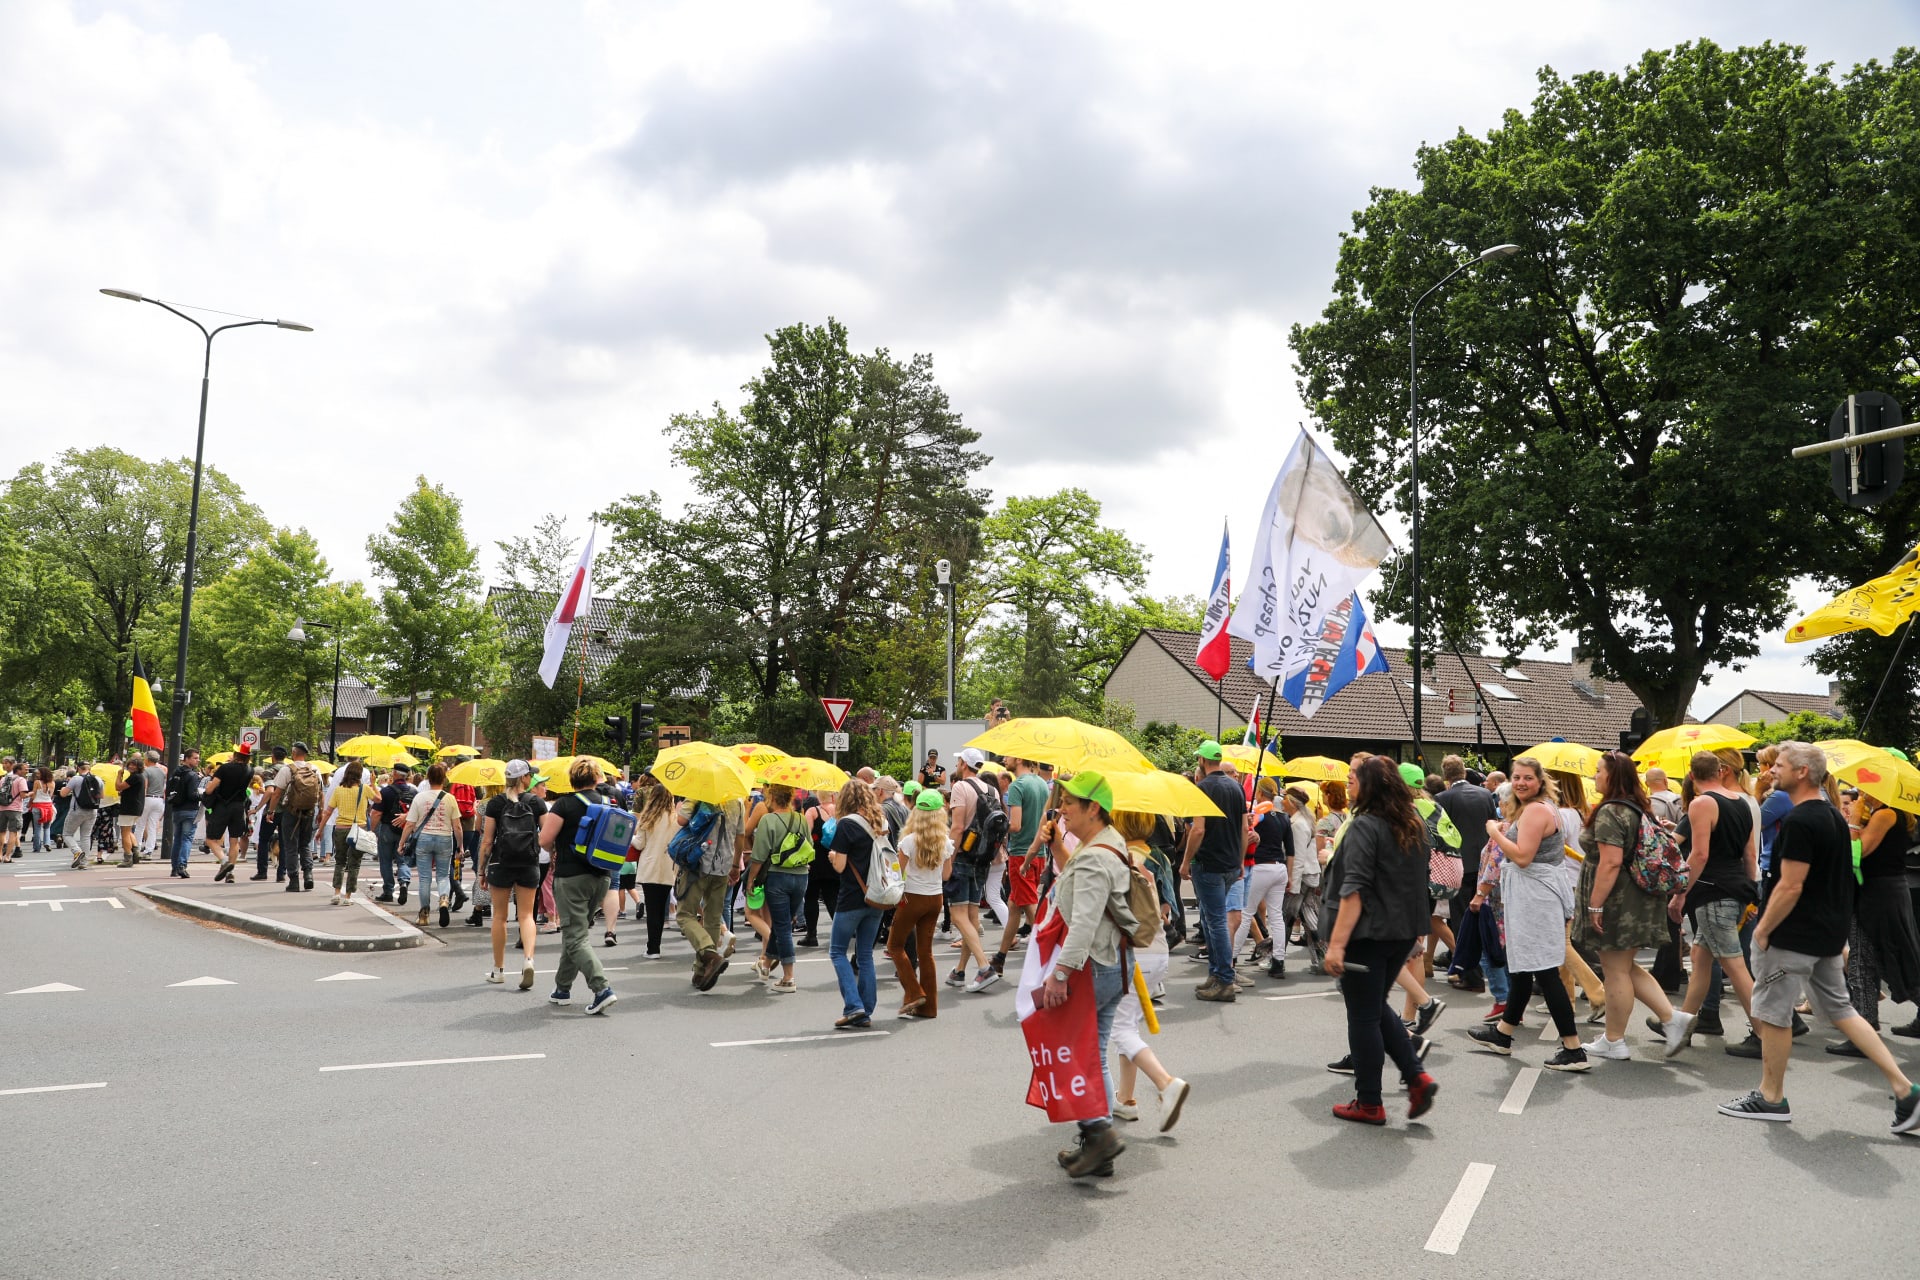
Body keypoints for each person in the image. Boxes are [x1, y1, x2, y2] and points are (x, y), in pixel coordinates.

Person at [1718, 742, 1919, 1131]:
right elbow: (1839, 878)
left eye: (1779, 765)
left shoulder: (1801, 821)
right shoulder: (1832, 816)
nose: (1771, 770)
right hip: (1824, 933)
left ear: (1802, 773)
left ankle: (1770, 1097)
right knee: (1843, 1012)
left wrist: (1762, 929)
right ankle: (1905, 1090)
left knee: (1775, 1015)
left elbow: (1791, 886)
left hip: (1794, 935)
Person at [1322, 756, 1441, 1124]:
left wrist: (1337, 944)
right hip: (1401, 932)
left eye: (1354, 778)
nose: (1348, 783)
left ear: (1371, 785)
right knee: (1374, 1008)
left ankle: (1370, 1101)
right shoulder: (1413, 823)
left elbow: (1353, 889)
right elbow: (1418, 881)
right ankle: (1416, 1076)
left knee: (1361, 1016)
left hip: (1367, 934)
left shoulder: (1364, 826)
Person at [1039, 769, 1137, 1176]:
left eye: (1070, 802)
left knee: (1075, 1052)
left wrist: (1060, 973)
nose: (1062, 807)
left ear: (1093, 809)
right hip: (1111, 964)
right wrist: (1058, 845)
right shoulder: (1105, 844)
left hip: (1093, 966)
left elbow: (1084, 919)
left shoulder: (1097, 855)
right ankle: (1097, 1147)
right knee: (1092, 1053)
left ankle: (1099, 1134)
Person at [1466, 757, 1587, 1071]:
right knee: (1521, 968)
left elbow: (1522, 857)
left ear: (1540, 781)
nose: (1520, 783)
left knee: (1545, 972)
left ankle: (1573, 1048)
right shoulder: (1540, 807)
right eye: (1516, 777)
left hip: (1536, 899)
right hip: (1534, 896)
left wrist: (1494, 831)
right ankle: (1503, 1034)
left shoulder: (1535, 810)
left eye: (1527, 778)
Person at [1572, 751, 1685, 1062]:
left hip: (1618, 899)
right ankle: (1672, 1019)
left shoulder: (1611, 811)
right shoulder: (1638, 807)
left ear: (1612, 777)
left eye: (1598, 771)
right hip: (1638, 896)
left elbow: (1610, 863)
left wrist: (1595, 906)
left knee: (1615, 971)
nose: (1595, 776)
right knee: (1625, 967)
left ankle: (1614, 1040)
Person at [1662, 750, 1760, 1053]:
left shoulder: (1702, 803)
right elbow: (1750, 854)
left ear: (1691, 776)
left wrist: (1680, 894)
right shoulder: (1740, 802)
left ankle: (1764, 1034)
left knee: (1735, 967)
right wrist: (1749, 892)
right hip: (1734, 888)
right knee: (1701, 959)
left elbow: (1699, 854)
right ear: (1721, 771)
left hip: (1712, 891)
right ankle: (1682, 1027)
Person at [1109, 807, 1191, 1131]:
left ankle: (1166, 1083)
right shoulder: (1155, 856)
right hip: (1157, 950)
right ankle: (1126, 1099)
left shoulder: (1121, 857)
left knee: (1121, 1030)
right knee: (1128, 1026)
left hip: (1134, 954)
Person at [537, 759, 618, 1014]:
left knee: (575, 936)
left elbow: (544, 840)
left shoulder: (564, 804)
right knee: (576, 933)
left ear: (572, 779)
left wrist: (555, 847)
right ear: (597, 777)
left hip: (571, 875)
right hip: (602, 875)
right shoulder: (608, 802)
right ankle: (562, 989)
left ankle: (601, 988)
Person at [1839, 792, 1920, 1046]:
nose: (1861, 792)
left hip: (1878, 896)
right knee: (1892, 959)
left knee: (1865, 963)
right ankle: (1866, 1027)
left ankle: (1863, 1034)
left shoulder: (1886, 814)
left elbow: (1858, 852)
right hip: (1883, 893)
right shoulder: (1887, 814)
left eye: (1865, 787)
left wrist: (1853, 822)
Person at [1185, 740, 1247, 1002]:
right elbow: (1245, 829)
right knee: (1213, 920)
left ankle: (1223, 979)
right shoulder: (1236, 787)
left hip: (1208, 864)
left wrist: (1185, 860)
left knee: (1216, 921)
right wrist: (1241, 861)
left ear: (1201, 761)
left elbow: (1198, 829)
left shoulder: (1202, 788)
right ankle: (1216, 973)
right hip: (1231, 864)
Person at [827, 777, 890, 1029]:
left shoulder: (846, 825)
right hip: (876, 896)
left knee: (837, 951)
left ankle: (854, 1006)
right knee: (865, 955)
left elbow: (840, 866)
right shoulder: (881, 822)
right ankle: (865, 1009)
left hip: (852, 897)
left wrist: (833, 856)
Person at [478, 760, 544, 989]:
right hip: (528, 862)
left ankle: (498, 970)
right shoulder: (536, 802)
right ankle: (528, 959)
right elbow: (546, 836)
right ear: (524, 778)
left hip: (501, 862)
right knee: (526, 915)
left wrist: (481, 871)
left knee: (500, 917)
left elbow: (487, 841)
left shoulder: (495, 804)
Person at [1434, 756, 1498, 992]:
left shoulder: (1442, 798)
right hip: (1483, 865)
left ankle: (1471, 974)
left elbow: (1441, 833)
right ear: (1463, 771)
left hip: (1458, 865)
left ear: (1445, 775)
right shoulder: (1484, 795)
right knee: (1481, 918)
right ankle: (1486, 968)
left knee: (1460, 920)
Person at [888, 789, 953, 1017]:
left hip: (911, 898)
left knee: (894, 946)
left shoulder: (908, 841)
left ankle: (914, 992)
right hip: (935, 898)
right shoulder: (945, 842)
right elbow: (946, 875)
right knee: (926, 953)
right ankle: (930, 1008)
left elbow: (897, 873)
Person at [676, 795, 746, 991]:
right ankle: (701, 970)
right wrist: (736, 865)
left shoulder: (697, 794)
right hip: (724, 864)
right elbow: (740, 835)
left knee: (685, 914)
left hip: (698, 862)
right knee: (713, 918)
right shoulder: (737, 800)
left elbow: (681, 820)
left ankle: (709, 954)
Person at [746, 784, 811, 993]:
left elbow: (759, 855)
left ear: (772, 796)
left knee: (782, 928)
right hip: (801, 876)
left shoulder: (768, 820)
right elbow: (809, 845)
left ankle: (789, 977)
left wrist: (751, 879)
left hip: (777, 876)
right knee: (783, 924)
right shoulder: (800, 818)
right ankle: (765, 965)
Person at [945, 748, 998, 993]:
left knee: (957, 916)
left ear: (964, 764)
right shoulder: (992, 789)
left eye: (958, 760)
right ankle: (960, 971)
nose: (957, 763)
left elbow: (957, 827)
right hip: (983, 859)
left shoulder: (960, 787)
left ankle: (984, 966)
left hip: (963, 856)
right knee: (972, 918)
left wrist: (949, 857)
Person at [991, 757, 1050, 978]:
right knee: (1015, 905)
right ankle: (1000, 958)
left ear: (1018, 758)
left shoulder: (1018, 786)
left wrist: (997, 823)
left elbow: (1015, 825)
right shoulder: (1041, 784)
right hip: (1038, 853)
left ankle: (1053, 954)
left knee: (1028, 907)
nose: (1004, 759)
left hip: (1020, 856)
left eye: (1007, 756)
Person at [1231, 776, 1291, 979]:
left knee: (1245, 913)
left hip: (1259, 867)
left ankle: (1231, 958)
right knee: (1276, 917)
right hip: (1279, 868)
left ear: (1260, 793)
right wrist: (1289, 875)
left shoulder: (1257, 815)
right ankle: (1279, 961)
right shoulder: (1283, 817)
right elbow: (1290, 850)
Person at [400, 762, 463, 927]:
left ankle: (424, 913)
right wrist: (460, 846)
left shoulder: (419, 797)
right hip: (444, 838)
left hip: (424, 838)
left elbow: (410, 824)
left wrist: (402, 843)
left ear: (428, 778)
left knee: (425, 878)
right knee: (443, 875)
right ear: (444, 778)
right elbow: (457, 826)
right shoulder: (450, 798)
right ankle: (443, 899)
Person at [265, 743, 323, 892]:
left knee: (291, 846)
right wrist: (320, 811)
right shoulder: (315, 769)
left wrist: (271, 811)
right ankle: (309, 875)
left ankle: (294, 880)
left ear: (293, 753)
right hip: (309, 812)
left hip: (291, 812)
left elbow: (277, 793)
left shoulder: (287, 769)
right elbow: (320, 793)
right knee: (305, 844)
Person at [630, 783, 679, 958]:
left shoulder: (648, 818)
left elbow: (639, 843)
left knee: (652, 909)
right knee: (661, 908)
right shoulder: (676, 819)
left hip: (650, 866)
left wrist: (632, 838)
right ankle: (655, 946)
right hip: (669, 867)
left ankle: (653, 948)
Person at [322, 760, 376, 904]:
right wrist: (374, 783)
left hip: (340, 829)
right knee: (354, 864)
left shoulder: (339, 790)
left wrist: (320, 829)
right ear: (360, 775)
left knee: (339, 862)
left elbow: (328, 812)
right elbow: (378, 799)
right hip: (358, 829)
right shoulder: (364, 789)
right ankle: (348, 896)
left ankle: (336, 893)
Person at [201, 744, 254, 882]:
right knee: (234, 841)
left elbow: (209, 789)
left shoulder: (224, 768)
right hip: (239, 807)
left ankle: (225, 861)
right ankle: (230, 873)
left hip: (222, 806)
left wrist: (208, 787)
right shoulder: (250, 770)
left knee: (211, 839)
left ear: (236, 755)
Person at [372, 764, 415, 903]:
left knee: (385, 861)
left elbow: (377, 813)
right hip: (406, 829)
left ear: (395, 774)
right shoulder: (414, 791)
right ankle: (403, 882)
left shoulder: (386, 792)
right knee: (403, 860)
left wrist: (372, 830)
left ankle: (388, 891)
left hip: (387, 828)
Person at [163, 748, 203, 877]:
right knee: (187, 839)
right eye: (195, 758)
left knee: (178, 839)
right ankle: (182, 865)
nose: (198, 760)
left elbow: (168, 790)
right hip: (190, 810)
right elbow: (192, 795)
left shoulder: (176, 773)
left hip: (177, 809)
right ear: (186, 759)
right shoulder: (192, 775)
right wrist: (202, 795)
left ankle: (174, 868)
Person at [61, 762, 102, 869]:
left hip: (77, 810)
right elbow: (101, 795)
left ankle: (77, 852)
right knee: (86, 836)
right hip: (92, 810)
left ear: (78, 768)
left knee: (67, 834)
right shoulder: (98, 779)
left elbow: (63, 794)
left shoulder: (76, 779)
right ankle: (84, 862)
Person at [113, 753, 146, 866]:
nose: (131, 767)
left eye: (134, 765)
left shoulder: (134, 777)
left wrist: (119, 775)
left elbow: (118, 786)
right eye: (130, 765)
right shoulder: (140, 777)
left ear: (139, 767)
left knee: (125, 832)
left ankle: (128, 857)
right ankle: (135, 851)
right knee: (129, 830)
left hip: (129, 807)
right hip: (136, 807)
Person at [136, 750, 167, 861]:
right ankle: (149, 850)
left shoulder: (146, 771)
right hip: (159, 800)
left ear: (147, 760)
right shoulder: (162, 771)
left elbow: (144, 787)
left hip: (148, 798)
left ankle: (137, 848)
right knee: (153, 826)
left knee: (140, 824)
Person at [0, 761, 28, 862]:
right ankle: (7, 856)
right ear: (18, 770)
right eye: (24, 769)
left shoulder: (4, 779)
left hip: (2, 808)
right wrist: (31, 794)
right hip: (15, 809)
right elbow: (23, 795)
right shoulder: (21, 780)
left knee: (1, 832)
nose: (26, 771)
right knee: (13, 832)